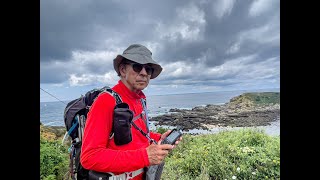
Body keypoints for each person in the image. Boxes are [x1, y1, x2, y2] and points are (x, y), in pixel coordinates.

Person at [80, 44, 182, 180]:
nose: (144, 73)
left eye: (149, 69)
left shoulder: (140, 99)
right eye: (137, 66)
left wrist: (158, 138)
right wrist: (145, 156)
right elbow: (90, 157)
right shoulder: (106, 101)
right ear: (123, 70)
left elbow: (135, 135)